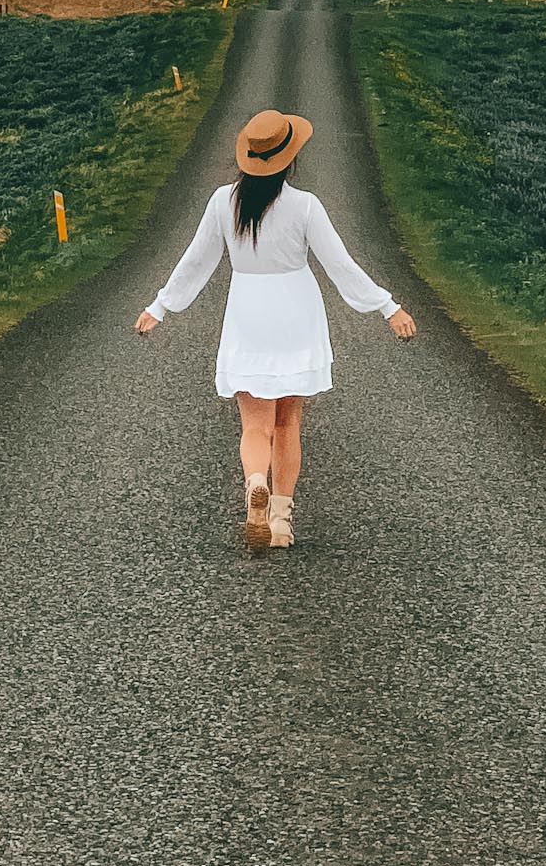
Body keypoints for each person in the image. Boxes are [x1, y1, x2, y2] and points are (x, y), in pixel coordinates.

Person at [135, 108, 416, 550]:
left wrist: (161, 306)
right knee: (288, 423)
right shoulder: (304, 206)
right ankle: (281, 519)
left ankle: (254, 483)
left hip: (249, 312)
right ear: (289, 159)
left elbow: (197, 262)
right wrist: (388, 306)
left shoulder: (222, 203)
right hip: (296, 314)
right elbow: (340, 265)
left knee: (255, 424)